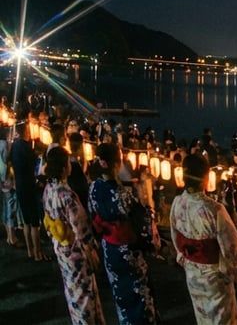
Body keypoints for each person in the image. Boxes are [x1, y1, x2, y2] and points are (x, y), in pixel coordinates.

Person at [169, 153, 237, 324]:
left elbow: (175, 235)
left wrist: (184, 254)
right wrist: (233, 263)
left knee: (202, 315)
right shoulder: (213, 209)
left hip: (192, 271)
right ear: (205, 178)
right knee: (222, 317)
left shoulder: (177, 202)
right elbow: (233, 247)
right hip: (213, 274)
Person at [90, 142, 160, 324]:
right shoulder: (123, 194)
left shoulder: (94, 187)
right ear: (117, 163)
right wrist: (152, 243)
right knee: (139, 293)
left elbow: (93, 214)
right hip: (128, 250)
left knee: (120, 293)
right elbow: (143, 223)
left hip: (109, 247)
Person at [42, 145, 105, 324]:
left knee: (72, 291)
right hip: (76, 251)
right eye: (68, 163)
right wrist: (90, 249)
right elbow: (80, 226)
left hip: (61, 248)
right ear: (64, 169)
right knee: (84, 294)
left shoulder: (48, 189)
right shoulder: (66, 195)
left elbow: (48, 219)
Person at [12, 119, 48, 261]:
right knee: (34, 223)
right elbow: (34, 166)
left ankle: (29, 251)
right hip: (29, 185)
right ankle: (38, 253)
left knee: (26, 221)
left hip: (19, 185)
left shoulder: (14, 146)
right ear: (26, 131)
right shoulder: (26, 147)